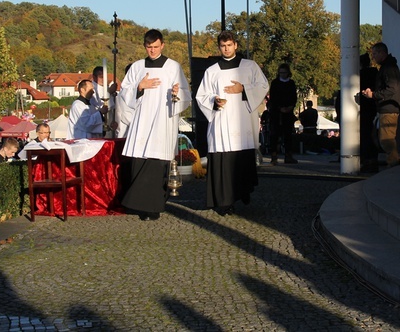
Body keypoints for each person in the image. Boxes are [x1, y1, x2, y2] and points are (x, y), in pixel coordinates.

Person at [119, 29, 191, 221]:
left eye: (155, 47)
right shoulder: (137, 67)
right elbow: (124, 92)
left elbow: (185, 94)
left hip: (162, 121)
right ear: (145, 46)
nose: (152, 50)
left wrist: (177, 94)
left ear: (163, 45)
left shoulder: (173, 67)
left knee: (158, 164)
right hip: (142, 121)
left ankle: (155, 207)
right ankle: (140, 207)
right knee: (140, 160)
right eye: (149, 47)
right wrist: (139, 87)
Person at [196, 31, 269, 216]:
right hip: (221, 123)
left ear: (235, 45)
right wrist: (214, 100)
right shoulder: (211, 71)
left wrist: (243, 89)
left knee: (242, 162)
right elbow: (201, 95)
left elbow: (263, 86)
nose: (226, 48)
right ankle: (225, 201)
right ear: (219, 47)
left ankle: (243, 191)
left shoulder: (250, 66)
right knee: (223, 163)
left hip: (243, 122)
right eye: (223, 45)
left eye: (229, 45)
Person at [362, 43, 400, 167]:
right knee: (384, 137)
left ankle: (394, 163)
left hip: (388, 108)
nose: (373, 57)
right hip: (388, 107)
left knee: (386, 139)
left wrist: (373, 94)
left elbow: (391, 89)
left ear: (381, 53)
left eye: (374, 54)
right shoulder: (389, 67)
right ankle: (393, 161)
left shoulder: (388, 68)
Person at [268, 63, 298, 165]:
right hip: (276, 112)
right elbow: (273, 98)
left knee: (288, 135)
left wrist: (290, 107)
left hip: (288, 112)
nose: (282, 75)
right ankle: (274, 156)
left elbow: (294, 97)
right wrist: (279, 108)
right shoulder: (275, 83)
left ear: (288, 73)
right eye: (281, 73)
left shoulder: (291, 83)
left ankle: (288, 156)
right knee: (274, 135)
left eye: (284, 73)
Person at [359, 53, 379, 170]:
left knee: (365, 134)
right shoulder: (374, 74)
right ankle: (371, 159)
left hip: (364, 108)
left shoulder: (362, 76)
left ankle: (368, 160)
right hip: (371, 108)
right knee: (369, 133)